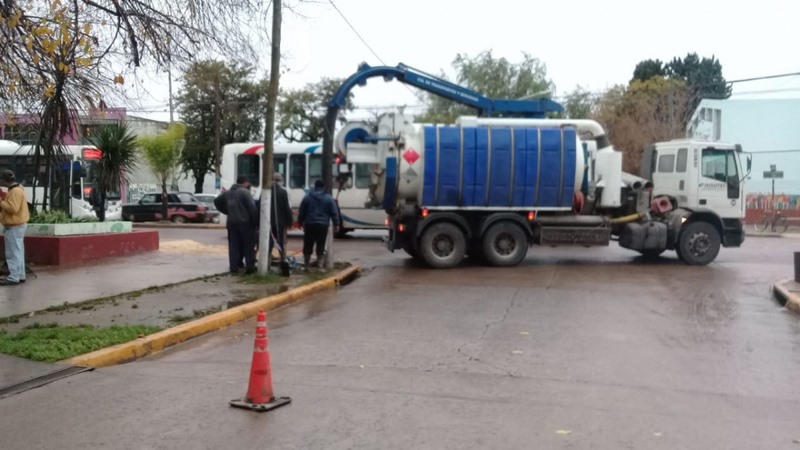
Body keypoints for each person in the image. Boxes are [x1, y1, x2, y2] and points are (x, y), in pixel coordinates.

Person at [214, 176, 258, 274]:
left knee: (233, 246)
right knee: (248, 246)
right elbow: (252, 208)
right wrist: (256, 222)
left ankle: (234, 268)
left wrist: (227, 211)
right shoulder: (245, 192)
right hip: (245, 224)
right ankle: (250, 267)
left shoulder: (228, 193)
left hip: (231, 224)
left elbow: (216, 201)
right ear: (245, 182)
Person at [297, 179, 339, 270]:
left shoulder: (307, 197)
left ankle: (306, 265)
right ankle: (320, 266)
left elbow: (302, 211)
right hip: (323, 225)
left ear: (315, 187)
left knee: (308, 244)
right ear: (323, 187)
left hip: (309, 224)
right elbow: (334, 212)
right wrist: (336, 224)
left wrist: (300, 222)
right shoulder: (328, 198)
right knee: (321, 244)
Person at [0, 170, 30, 285]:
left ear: (4, 180)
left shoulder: (15, 191)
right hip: (17, 225)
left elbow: (13, 209)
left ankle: (13, 277)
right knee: (18, 251)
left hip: (14, 226)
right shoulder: (15, 190)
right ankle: (19, 275)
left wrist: (1, 201)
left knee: (13, 253)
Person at [268, 172, 293, 269]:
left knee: (269, 243)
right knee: (281, 243)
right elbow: (287, 208)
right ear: (279, 181)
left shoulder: (266, 191)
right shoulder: (283, 192)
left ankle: (267, 263)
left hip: (268, 223)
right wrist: (289, 222)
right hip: (281, 223)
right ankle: (283, 262)